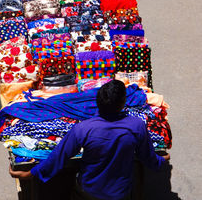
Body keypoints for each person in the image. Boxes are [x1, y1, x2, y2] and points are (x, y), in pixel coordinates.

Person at [9, 80, 170, 200]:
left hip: (89, 190)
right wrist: (162, 160)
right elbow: (148, 158)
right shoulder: (136, 126)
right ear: (123, 104)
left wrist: (30, 174)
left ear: (97, 103)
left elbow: (58, 158)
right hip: (120, 192)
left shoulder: (83, 129)